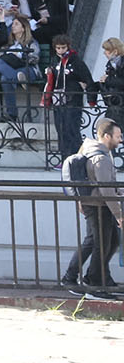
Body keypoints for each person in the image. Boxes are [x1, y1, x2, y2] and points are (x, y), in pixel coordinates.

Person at [62, 117, 124, 295]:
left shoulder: (95, 151)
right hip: (98, 206)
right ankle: (94, 283)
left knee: (106, 242)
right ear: (106, 136)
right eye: (118, 136)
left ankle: (93, 277)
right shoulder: (100, 158)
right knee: (102, 244)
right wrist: (119, 215)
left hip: (96, 204)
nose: (120, 140)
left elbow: (103, 184)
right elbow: (105, 189)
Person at [42, 34, 95, 161]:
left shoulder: (76, 62)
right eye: (58, 48)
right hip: (58, 100)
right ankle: (64, 159)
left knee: (72, 130)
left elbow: (88, 80)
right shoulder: (55, 62)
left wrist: (91, 100)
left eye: (63, 48)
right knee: (61, 130)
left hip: (73, 101)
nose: (61, 51)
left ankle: (76, 159)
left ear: (68, 47)